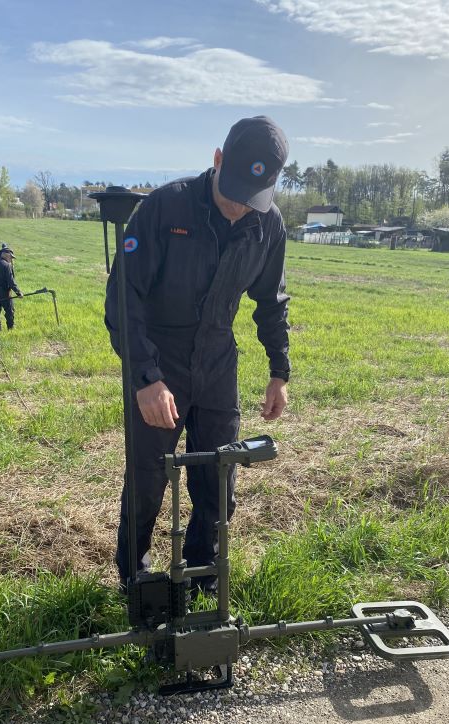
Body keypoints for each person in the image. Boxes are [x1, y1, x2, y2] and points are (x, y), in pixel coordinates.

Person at [105, 115, 291, 594]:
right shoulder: (166, 207)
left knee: (217, 474)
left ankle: (203, 571)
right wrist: (146, 378)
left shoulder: (268, 227)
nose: (236, 210)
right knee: (148, 477)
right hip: (160, 359)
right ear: (217, 160)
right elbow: (124, 300)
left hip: (217, 363)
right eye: (231, 195)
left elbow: (270, 301)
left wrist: (279, 370)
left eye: (249, 202)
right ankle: (136, 576)